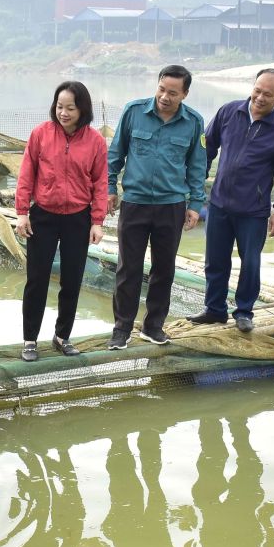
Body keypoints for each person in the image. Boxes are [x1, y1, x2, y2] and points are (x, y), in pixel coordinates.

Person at [105, 64, 206, 349]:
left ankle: (153, 327)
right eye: (162, 89)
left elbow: (197, 166)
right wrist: (110, 189)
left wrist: (195, 204)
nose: (165, 97)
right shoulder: (134, 111)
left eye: (173, 93)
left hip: (171, 206)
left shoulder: (194, 122)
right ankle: (121, 329)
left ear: (184, 94)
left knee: (164, 269)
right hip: (135, 203)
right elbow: (115, 153)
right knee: (128, 268)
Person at [192, 68, 274, 333]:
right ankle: (214, 309)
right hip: (219, 203)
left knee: (250, 262)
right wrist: (196, 185)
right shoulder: (229, 112)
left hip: (253, 210)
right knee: (215, 260)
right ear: (252, 87)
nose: (260, 97)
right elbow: (206, 148)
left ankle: (243, 311)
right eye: (257, 90)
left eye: (268, 94)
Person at [14, 80, 108, 361]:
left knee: (72, 280)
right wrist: (22, 212)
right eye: (59, 106)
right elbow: (26, 174)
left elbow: (100, 183)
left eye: (70, 108)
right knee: (37, 280)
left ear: (83, 110)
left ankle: (62, 336)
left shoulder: (96, 142)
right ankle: (30, 340)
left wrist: (97, 221)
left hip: (78, 219)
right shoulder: (40, 134)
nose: (63, 113)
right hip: (43, 216)